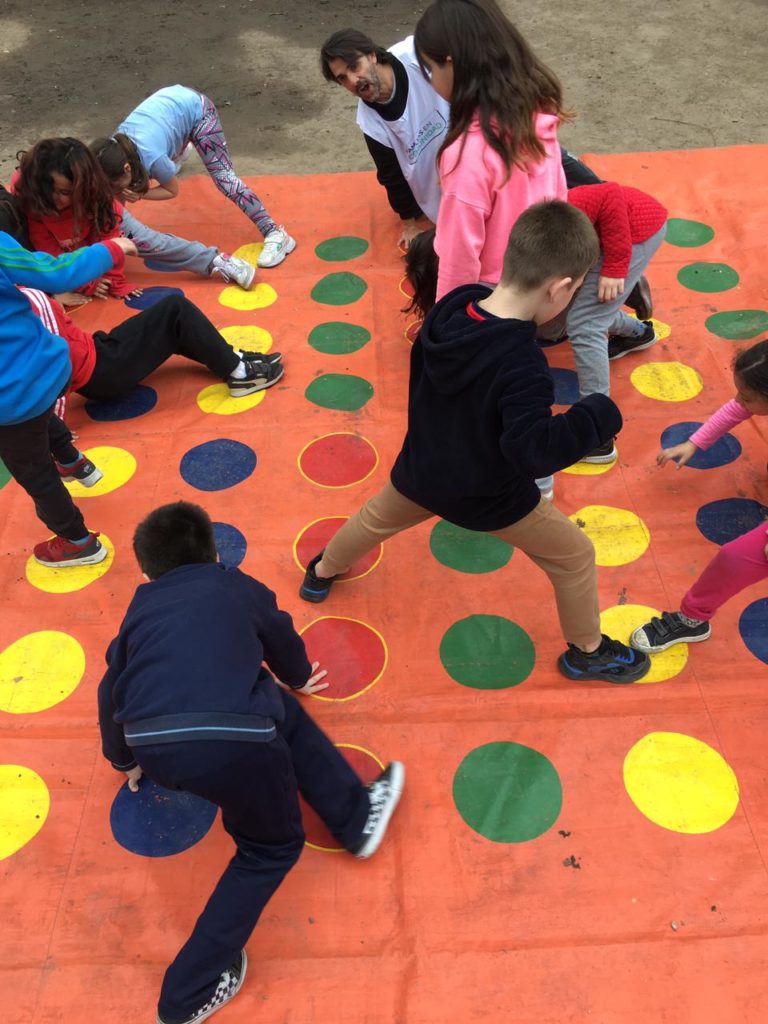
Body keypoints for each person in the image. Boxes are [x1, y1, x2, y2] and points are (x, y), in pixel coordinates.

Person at [299, 200, 650, 684]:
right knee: (574, 556)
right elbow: (533, 452)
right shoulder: (524, 364)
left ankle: (321, 570)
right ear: (561, 288)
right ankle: (588, 650)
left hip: (423, 469)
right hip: (488, 496)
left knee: (374, 519)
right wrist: (597, 415)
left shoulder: (451, 308)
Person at [98, 501, 404, 1024]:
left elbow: (111, 687)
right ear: (217, 555)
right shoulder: (235, 586)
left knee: (273, 702)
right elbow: (280, 637)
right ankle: (186, 994)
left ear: (145, 572)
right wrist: (301, 673)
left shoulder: (139, 609)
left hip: (150, 738)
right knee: (268, 849)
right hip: (236, 741)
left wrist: (123, 757)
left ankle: (353, 815)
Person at [19, 288, 284, 489]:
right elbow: (53, 364)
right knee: (174, 309)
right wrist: (57, 431)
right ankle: (240, 374)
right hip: (102, 369)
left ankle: (231, 358)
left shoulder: (17, 302)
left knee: (170, 327)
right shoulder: (26, 300)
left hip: (98, 355)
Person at [413, 0, 571, 301]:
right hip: (545, 281)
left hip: (499, 296)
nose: (432, 81)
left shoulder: (468, 155)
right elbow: (558, 199)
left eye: (431, 69)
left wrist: (451, 323)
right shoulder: (536, 115)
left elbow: (458, 256)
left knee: (426, 257)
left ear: (452, 63)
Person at [0, 228, 137, 567]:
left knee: (34, 471)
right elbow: (53, 272)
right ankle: (75, 461)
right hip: (50, 367)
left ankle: (78, 541)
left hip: (12, 400)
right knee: (39, 419)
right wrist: (109, 250)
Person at [630, 338, 768, 654]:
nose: (738, 399)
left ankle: (692, 619)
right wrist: (696, 442)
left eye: (746, 396)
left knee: (736, 557)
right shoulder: (756, 394)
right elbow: (737, 409)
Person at [12, 138, 256, 297]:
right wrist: (86, 284)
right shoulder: (32, 198)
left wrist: (113, 281)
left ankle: (214, 260)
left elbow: (112, 240)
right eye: (57, 192)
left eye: (68, 193)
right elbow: (48, 255)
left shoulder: (99, 199)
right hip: (65, 246)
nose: (60, 199)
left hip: (95, 224)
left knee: (150, 242)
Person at [94, 85, 295, 269]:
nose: (115, 192)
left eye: (116, 186)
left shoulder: (153, 158)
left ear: (128, 168)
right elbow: (116, 195)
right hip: (169, 108)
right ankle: (178, 149)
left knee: (224, 179)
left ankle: (275, 233)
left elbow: (172, 191)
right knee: (125, 186)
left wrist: (140, 194)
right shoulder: (111, 149)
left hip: (198, 111)